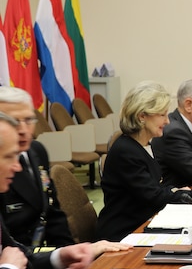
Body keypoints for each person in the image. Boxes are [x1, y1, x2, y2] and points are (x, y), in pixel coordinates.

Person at [0, 88, 128, 256]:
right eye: (14, 121)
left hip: (46, 259)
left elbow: (53, 212)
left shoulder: (37, 151)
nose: (23, 129)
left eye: (29, 119)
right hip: (19, 264)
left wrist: (69, 254)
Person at [0, 114, 94, 269]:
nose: (17, 167)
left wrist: (59, 258)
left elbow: (19, 256)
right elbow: (12, 265)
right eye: (9, 157)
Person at [98, 82, 192, 242]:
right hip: (125, 233)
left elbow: (154, 187)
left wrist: (177, 191)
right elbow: (154, 196)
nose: (167, 121)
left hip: (145, 223)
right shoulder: (126, 151)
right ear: (142, 116)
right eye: (162, 115)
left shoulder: (145, 144)